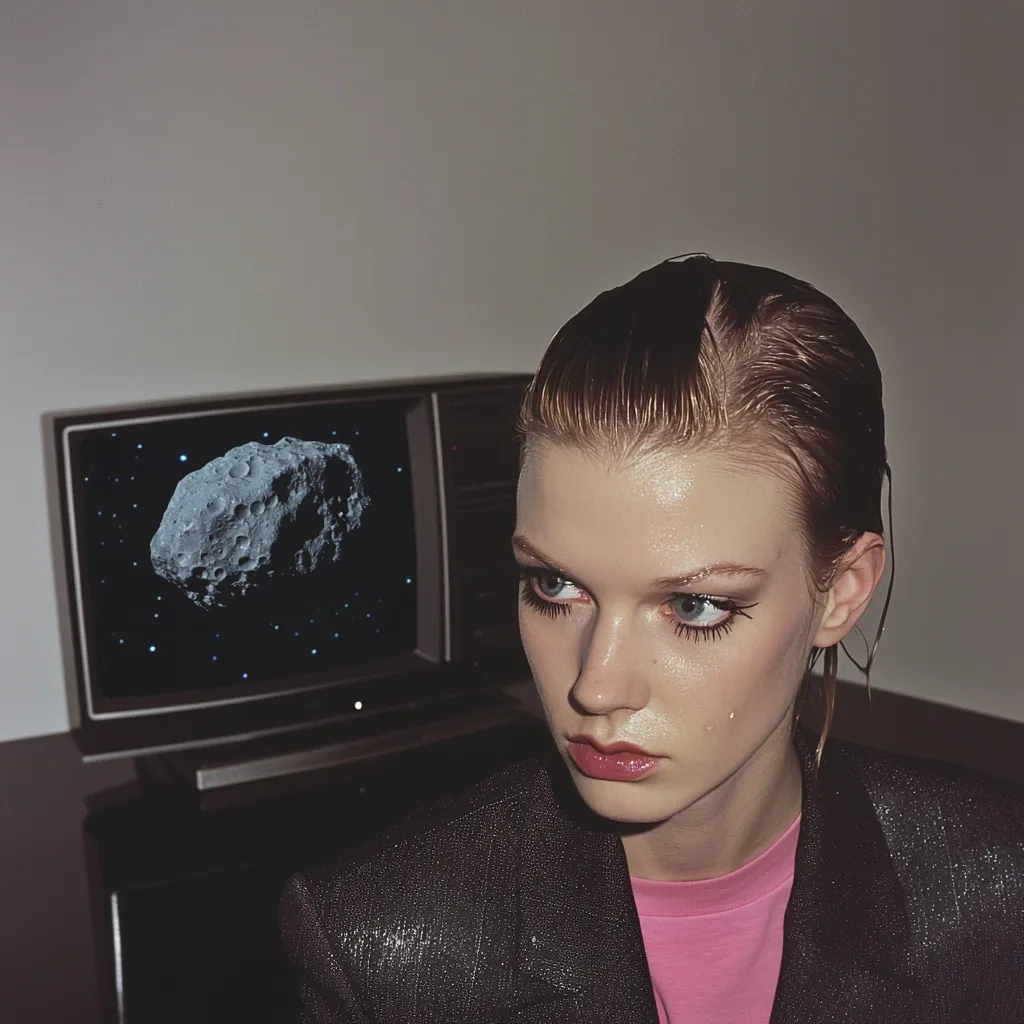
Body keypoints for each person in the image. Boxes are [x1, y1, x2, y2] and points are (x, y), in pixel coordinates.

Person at [279, 255, 1024, 1023]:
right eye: (554, 586)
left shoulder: (998, 888)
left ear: (841, 592)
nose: (595, 686)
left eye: (696, 606)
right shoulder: (380, 944)